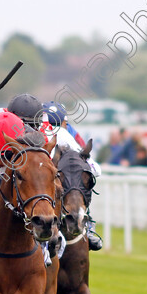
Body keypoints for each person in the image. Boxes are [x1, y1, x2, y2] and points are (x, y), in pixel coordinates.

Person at [40, 101, 103, 250]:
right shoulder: (65, 132)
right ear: (64, 122)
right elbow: (96, 169)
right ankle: (89, 227)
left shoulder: (35, 131)